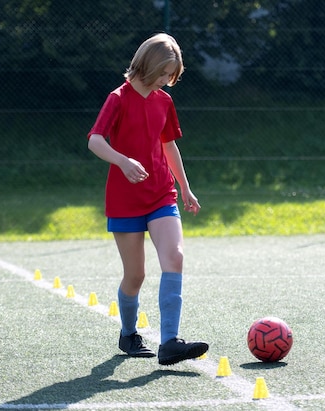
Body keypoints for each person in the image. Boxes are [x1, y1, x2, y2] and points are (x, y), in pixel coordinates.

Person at [87, 33, 209, 366]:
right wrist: (123, 161)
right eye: (165, 73)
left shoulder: (164, 101)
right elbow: (95, 141)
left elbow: (169, 145)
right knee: (136, 275)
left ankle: (170, 342)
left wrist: (185, 187)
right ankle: (129, 333)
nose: (168, 81)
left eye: (173, 75)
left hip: (161, 194)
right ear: (148, 65)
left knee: (175, 256)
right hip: (125, 200)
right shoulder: (118, 98)